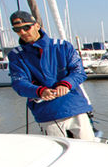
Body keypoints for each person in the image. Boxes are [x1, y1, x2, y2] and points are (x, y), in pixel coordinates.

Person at [7, 10, 96, 139]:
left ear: (37, 25)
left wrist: (65, 85)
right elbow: (19, 83)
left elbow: (78, 72)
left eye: (26, 27)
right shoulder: (16, 55)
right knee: (60, 152)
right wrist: (40, 91)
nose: (23, 32)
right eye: (17, 29)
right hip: (46, 113)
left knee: (89, 148)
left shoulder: (63, 46)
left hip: (75, 107)